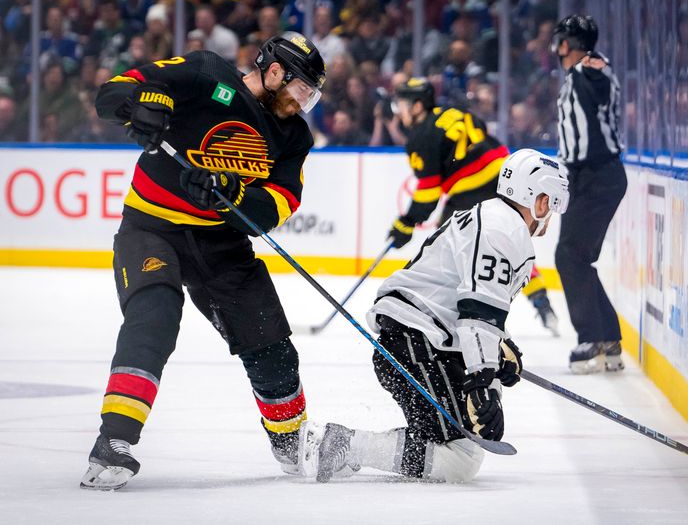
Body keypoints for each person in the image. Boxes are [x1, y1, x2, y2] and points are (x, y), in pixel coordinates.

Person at [79, 31, 326, 490]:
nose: (303, 102)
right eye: (301, 90)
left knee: (269, 341)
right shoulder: (206, 73)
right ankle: (113, 441)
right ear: (274, 71)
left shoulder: (293, 135)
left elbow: (276, 206)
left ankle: (292, 441)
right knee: (153, 315)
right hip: (152, 229)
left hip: (221, 244)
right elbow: (113, 91)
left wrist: (234, 196)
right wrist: (142, 107)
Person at [297, 149, 569, 483]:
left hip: (420, 338)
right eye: (552, 204)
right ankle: (343, 444)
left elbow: (477, 306)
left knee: (460, 447)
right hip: (415, 341)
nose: (550, 214)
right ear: (540, 201)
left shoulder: (496, 219)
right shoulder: (503, 231)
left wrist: (500, 352)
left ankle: (355, 445)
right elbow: (478, 315)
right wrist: (483, 380)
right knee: (458, 460)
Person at [387, 77, 559, 334]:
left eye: (402, 103)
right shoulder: (453, 112)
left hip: (470, 192)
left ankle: (443, 311)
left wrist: (406, 222)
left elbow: (428, 192)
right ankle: (543, 304)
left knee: (447, 247)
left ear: (418, 105)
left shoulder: (421, 135)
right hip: (507, 181)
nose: (398, 110)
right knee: (509, 246)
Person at [550, 15, 627, 374]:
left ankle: (592, 338)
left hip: (598, 174)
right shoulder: (574, 74)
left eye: (562, 40)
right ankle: (607, 336)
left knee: (569, 255)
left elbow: (598, 79)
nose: (557, 47)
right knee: (575, 257)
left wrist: (592, 64)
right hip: (587, 177)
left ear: (572, 43)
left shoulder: (589, 68)